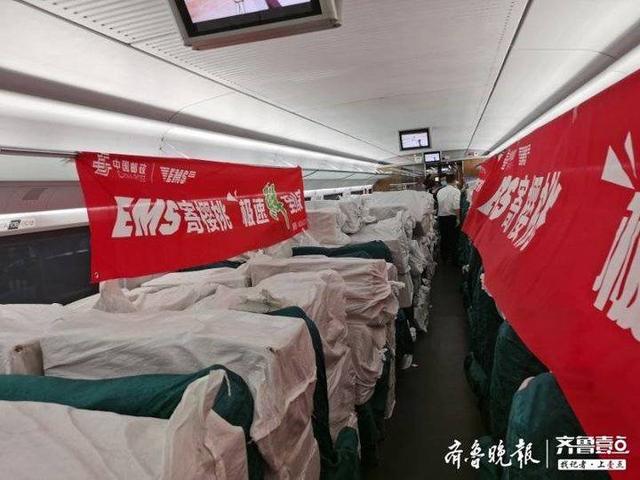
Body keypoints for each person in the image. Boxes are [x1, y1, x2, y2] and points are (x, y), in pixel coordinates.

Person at [436, 173, 461, 265]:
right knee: (454, 239)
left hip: (441, 217)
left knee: (444, 238)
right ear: (454, 181)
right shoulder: (456, 191)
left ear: (446, 181)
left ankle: (444, 258)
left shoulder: (440, 191)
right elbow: (456, 206)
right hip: (452, 217)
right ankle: (454, 260)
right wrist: (458, 218)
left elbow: (439, 204)